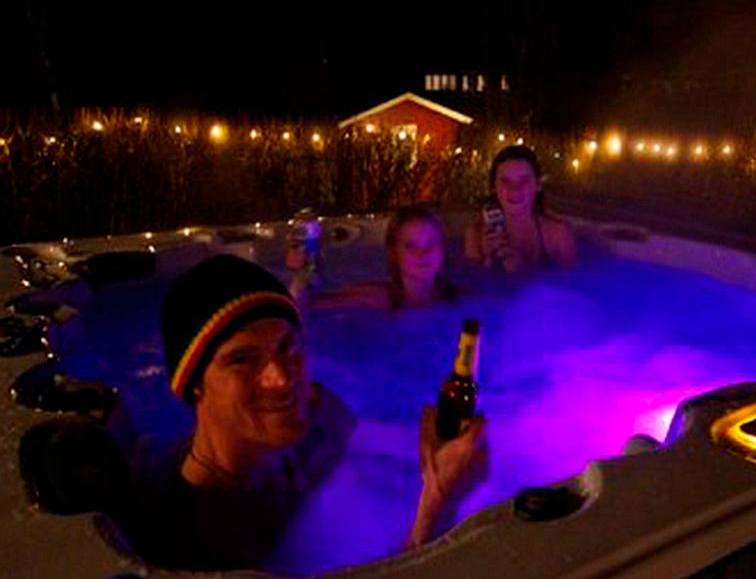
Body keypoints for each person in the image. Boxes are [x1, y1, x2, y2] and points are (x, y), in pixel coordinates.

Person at [128, 254, 486, 570]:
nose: (281, 378)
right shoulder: (200, 545)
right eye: (242, 360)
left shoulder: (312, 415)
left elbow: (370, 441)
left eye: (287, 347)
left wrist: (438, 451)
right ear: (194, 385)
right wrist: (438, 502)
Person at [291, 206, 459, 311]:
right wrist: (302, 274)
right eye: (410, 246)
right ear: (393, 253)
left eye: (431, 244)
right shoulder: (378, 298)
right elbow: (304, 308)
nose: (422, 254)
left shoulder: (458, 301)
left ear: (442, 249)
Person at [464, 145, 577, 272]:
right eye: (505, 181)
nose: (515, 189)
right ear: (494, 187)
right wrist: (488, 260)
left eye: (524, 181)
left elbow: (573, 282)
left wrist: (523, 272)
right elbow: (473, 283)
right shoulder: (475, 236)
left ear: (538, 185)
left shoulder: (558, 234)